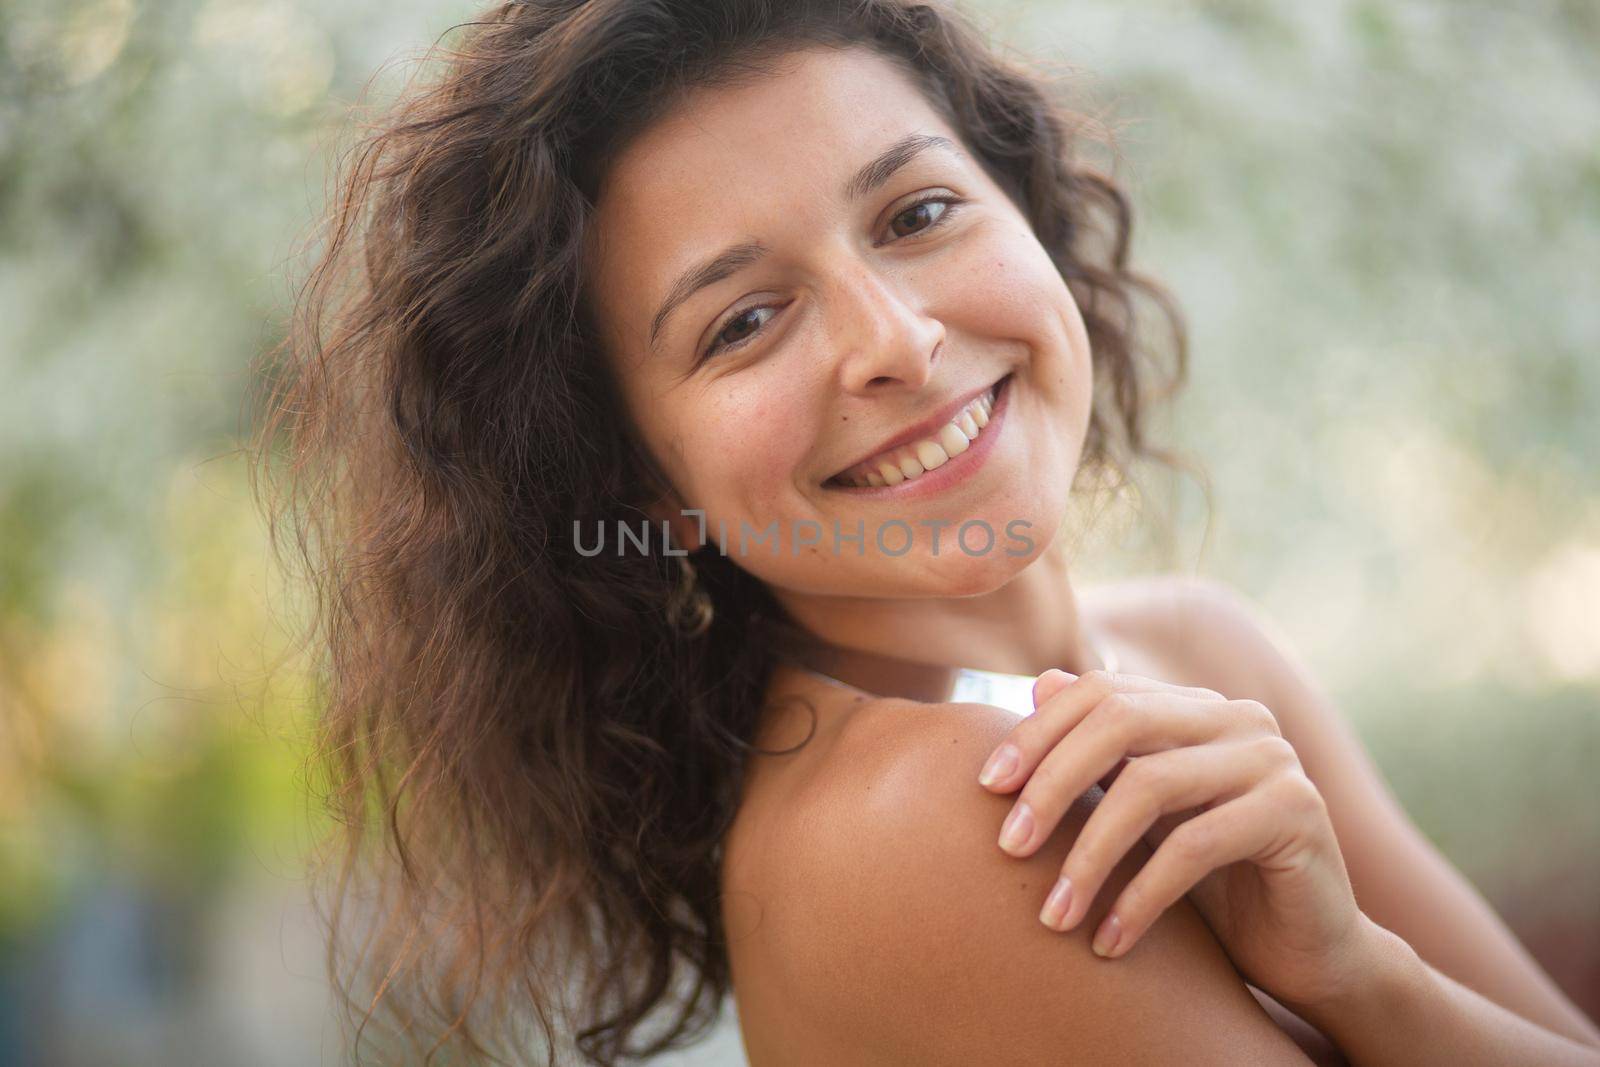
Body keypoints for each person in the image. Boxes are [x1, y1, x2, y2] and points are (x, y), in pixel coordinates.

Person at [248, 1, 1600, 1063]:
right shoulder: (915, 832)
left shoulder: (1192, 644)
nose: (897, 341)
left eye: (918, 212)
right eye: (743, 321)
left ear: (1029, 210)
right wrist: (1372, 991)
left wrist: (1360, 976)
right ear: (648, 486)